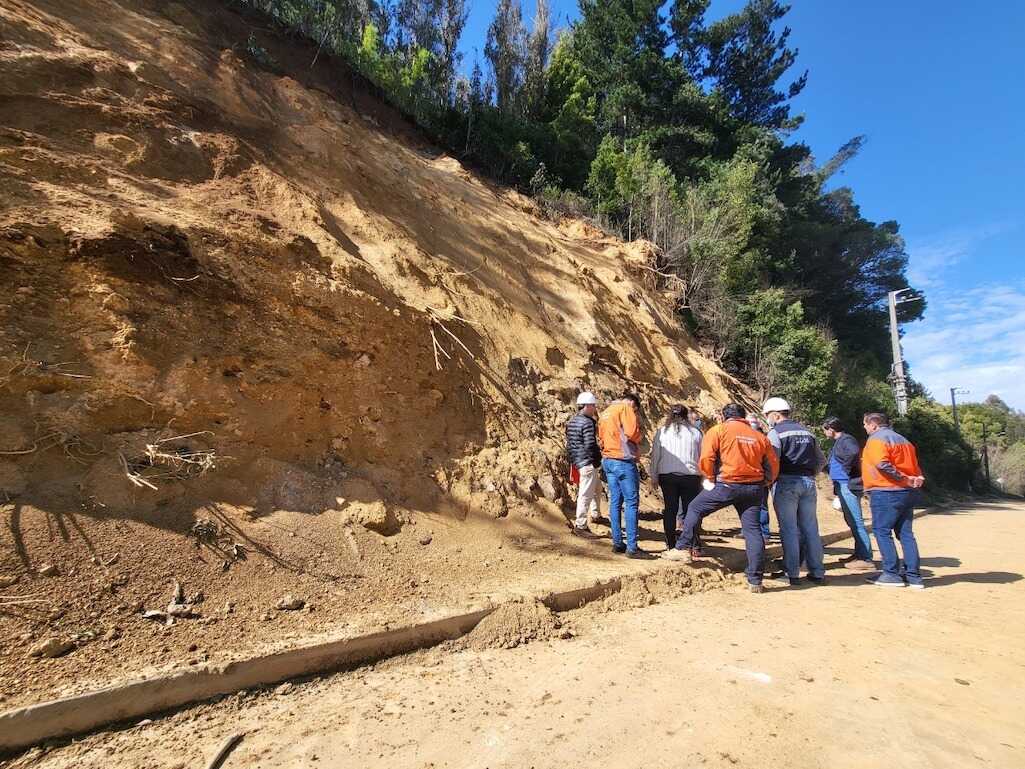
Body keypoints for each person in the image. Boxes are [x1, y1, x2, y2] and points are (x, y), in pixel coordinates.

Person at [662, 403, 779, 594]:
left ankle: (682, 547)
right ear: (743, 416)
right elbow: (773, 464)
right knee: (752, 530)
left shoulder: (718, 431)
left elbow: (706, 458)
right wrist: (766, 481)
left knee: (695, 508)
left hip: (727, 484)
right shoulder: (759, 437)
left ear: (725, 416)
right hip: (754, 487)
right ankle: (755, 580)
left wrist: (709, 478)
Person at [764, 397, 827, 586]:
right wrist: (811, 474)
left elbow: (772, 460)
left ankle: (792, 573)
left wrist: (770, 480)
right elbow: (821, 460)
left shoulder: (775, 433)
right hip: (808, 482)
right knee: (810, 528)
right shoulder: (807, 432)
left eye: (768, 415)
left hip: (786, 483)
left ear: (775, 414)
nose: (768, 418)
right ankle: (817, 572)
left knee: (789, 529)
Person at [861, 412, 926, 588]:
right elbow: (915, 466)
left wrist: (902, 478)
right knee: (905, 534)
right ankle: (914, 576)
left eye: (865, 425)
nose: (864, 428)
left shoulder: (876, 440)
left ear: (873, 425)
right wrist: (915, 478)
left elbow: (882, 464)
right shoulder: (905, 441)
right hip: (907, 492)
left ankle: (891, 573)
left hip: (886, 490)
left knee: (882, 531)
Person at [598, 393, 652, 559]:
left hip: (608, 460)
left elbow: (600, 439)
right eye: (635, 409)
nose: (634, 412)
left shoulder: (606, 412)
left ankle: (617, 543)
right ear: (631, 403)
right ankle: (632, 547)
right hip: (622, 460)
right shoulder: (625, 408)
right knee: (631, 502)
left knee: (615, 502)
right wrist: (639, 437)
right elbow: (631, 432)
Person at [649, 405, 703, 550]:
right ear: (686, 416)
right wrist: (704, 476)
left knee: (670, 509)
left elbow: (655, 456)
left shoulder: (662, 432)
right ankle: (693, 544)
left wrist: (653, 476)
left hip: (667, 476)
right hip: (691, 477)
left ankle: (671, 544)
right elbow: (702, 456)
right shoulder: (695, 432)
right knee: (691, 510)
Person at [822, 416, 873, 569]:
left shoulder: (846, 440)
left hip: (848, 485)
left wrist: (845, 469)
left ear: (831, 429)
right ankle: (859, 554)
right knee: (851, 521)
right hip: (843, 484)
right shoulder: (840, 441)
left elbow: (853, 453)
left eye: (825, 430)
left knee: (856, 522)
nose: (824, 433)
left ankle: (866, 557)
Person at [565, 392, 602, 538]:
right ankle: (580, 525)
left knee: (596, 488)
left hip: (578, 460)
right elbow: (590, 445)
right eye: (593, 405)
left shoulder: (572, 421)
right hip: (587, 462)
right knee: (586, 494)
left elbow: (570, 444)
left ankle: (595, 514)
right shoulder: (587, 422)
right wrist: (597, 460)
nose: (594, 408)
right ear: (586, 406)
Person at [747, 416, 772, 546]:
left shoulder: (760, 439)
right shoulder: (762, 439)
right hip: (755, 478)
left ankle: (764, 533)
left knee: (760, 506)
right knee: (752, 507)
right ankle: (756, 532)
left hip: (757, 478)